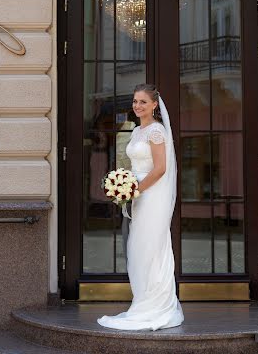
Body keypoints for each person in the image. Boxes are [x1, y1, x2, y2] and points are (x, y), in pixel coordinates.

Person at [97, 83, 184, 331]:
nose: (137, 105)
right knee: (138, 246)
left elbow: (160, 169)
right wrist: (123, 185)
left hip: (152, 194)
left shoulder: (156, 131)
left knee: (152, 246)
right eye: (135, 101)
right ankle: (143, 300)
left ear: (154, 105)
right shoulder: (136, 131)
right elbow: (134, 165)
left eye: (143, 102)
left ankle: (158, 304)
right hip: (138, 193)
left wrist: (136, 189)